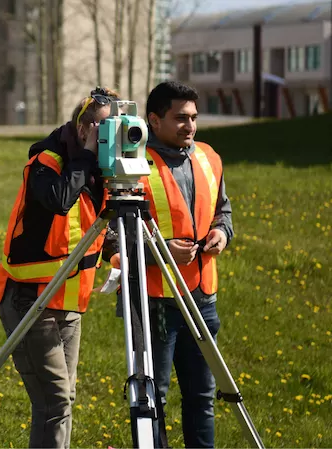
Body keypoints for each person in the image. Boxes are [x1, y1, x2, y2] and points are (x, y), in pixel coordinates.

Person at [103, 80, 233, 448]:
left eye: (193, 117)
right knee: (151, 400)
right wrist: (160, 252)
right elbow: (108, 236)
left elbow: (223, 212)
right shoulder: (132, 165)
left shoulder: (209, 157)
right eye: (180, 118)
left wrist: (221, 234)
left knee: (202, 399)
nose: (189, 126)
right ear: (154, 120)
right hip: (153, 300)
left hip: (202, 297)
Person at [0, 87, 119, 449]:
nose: (105, 136)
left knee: (62, 401)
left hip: (68, 302)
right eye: (100, 128)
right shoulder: (45, 163)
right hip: (30, 300)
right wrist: (86, 156)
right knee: (55, 401)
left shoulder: (98, 172)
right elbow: (61, 200)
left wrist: (117, 249)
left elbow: (93, 222)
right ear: (83, 128)